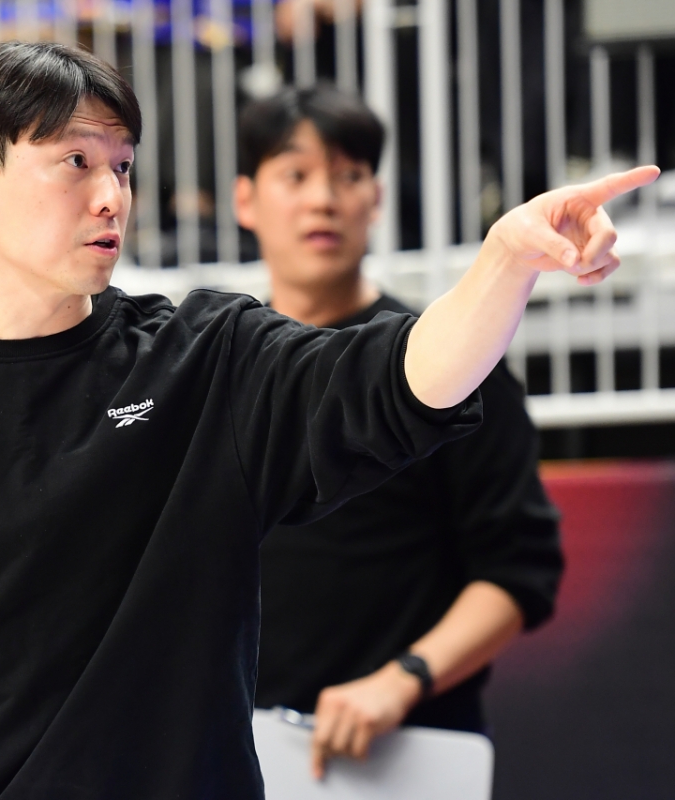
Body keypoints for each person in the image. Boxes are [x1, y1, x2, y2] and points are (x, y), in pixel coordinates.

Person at [0, 41, 654, 800]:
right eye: (74, 161)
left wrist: (503, 265)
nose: (113, 195)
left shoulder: (205, 353)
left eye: (123, 165)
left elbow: (402, 380)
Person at [234, 85, 564, 777]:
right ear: (246, 200)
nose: (323, 199)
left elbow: (516, 571)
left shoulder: (448, 361)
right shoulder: (219, 365)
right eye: (295, 175)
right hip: (237, 750)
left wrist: (405, 677)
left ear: (375, 200)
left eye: (348, 176)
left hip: (409, 750)